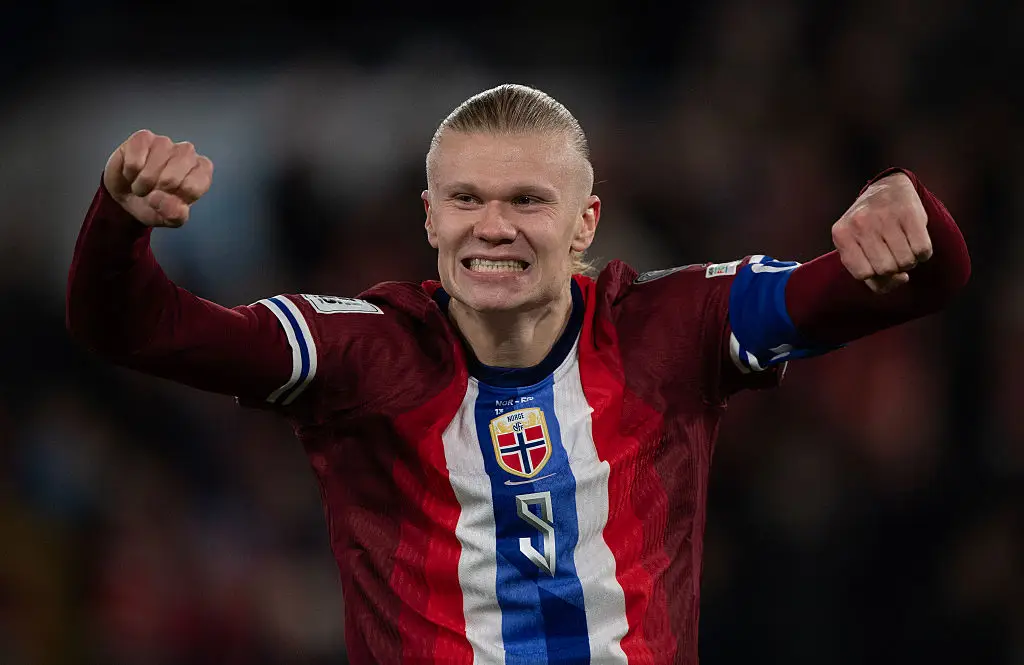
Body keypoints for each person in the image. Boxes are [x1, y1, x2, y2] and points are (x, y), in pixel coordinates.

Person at [66, 84, 971, 665]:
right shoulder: (363, 354)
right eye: (466, 199)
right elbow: (136, 329)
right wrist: (117, 220)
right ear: (431, 218)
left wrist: (910, 212)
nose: (492, 226)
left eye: (527, 200)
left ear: (585, 223)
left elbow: (912, 283)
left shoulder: (672, 329)